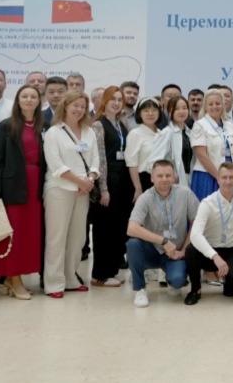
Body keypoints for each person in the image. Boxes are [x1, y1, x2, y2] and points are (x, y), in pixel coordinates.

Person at [0, 84, 44, 299]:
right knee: (14, 235)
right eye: (24, 96)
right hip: (13, 186)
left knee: (31, 234)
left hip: (37, 185)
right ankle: (14, 278)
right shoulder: (7, 125)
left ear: (39, 101)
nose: (29, 99)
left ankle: (11, 280)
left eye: (33, 96)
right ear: (18, 100)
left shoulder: (44, 125)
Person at [42, 90, 99, 298]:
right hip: (59, 189)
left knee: (78, 237)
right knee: (57, 238)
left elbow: (95, 159)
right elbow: (56, 164)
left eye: (83, 106)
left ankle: (70, 278)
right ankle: (54, 283)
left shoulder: (89, 132)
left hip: (83, 191)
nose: (79, 109)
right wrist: (81, 182)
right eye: (75, 105)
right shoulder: (53, 132)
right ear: (65, 106)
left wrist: (89, 180)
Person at [126, 161, 199, 307]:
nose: (164, 179)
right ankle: (140, 289)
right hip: (152, 251)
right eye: (160, 176)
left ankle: (171, 279)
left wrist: (184, 251)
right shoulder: (145, 198)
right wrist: (163, 241)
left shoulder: (185, 194)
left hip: (175, 253)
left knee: (178, 281)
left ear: (174, 177)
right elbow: (131, 228)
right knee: (133, 244)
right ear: (152, 178)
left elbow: (197, 223)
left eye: (168, 175)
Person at [85, 86, 132, 288]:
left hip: (123, 181)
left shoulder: (121, 124)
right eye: (112, 99)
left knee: (117, 228)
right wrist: (103, 188)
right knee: (104, 229)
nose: (116, 103)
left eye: (120, 99)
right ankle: (100, 274)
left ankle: (111, 270)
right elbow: (100, 158)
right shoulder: (98, 125)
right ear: (104, 101)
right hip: (108, 181)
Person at [185, 163, 233, 305]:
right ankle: (195, 289)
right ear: (218, 179)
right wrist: (215, 256)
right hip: (210, 253)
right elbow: (195, 235)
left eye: (231, 177)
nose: (228, 181)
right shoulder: (207, 203)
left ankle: (229, 281)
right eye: (224, 177)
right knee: (191, 251)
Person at [189, 89, 233, 199]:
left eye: (218, 103)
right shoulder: (199, 125)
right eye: (210, 104)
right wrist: (218, 177)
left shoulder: (229, 126)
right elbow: (201, 155)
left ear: (223, 105)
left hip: (228, 177)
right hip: (208, 176)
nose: (214, 107)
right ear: (205, 107)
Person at [125, 99, 161, 202]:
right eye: (146, 110)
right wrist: (138, 188)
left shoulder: (161, 133)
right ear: (139, 113)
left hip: (160, 180)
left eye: (154, 110)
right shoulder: (135, 134)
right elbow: (132, 163)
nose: (150, 114)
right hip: (142, 180)